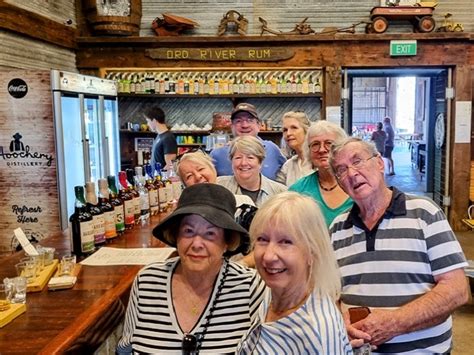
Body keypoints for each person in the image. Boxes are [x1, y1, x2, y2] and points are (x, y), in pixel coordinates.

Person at [329, 137, 469, 354]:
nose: (351, 174)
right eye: (341, 170)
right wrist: (340, 322)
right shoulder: (337, 227)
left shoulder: (424, 213)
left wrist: (395, 323)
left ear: (380, 163)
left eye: (357, 161)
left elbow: (457, 290)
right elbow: (330, 295)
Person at [117, 183, 266, 354]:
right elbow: (125, 350)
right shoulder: (147, 281)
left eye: (210, 233)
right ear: (176, 236)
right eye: (188, 231)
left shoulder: (249, 287)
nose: (196, 244)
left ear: (227, 242)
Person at [236, 192, 353, 354]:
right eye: (262, 239)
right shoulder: (276, 291)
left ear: (313, 252)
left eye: (286, 242)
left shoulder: (315, 334)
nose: (269, 256)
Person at [289, 121, 352, 227]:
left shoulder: (357, 185)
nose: (322, 149)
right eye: (315, 144)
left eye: (329, 144)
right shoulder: (297, 191)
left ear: (341, 148)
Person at [210, 103, 286, 181]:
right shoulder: (217, 155)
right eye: (238, 121)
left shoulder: (272, 150)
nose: (245, 125)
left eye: (250, 120)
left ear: (259, 125)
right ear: (232, 126)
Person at [217, 136, 287, 207]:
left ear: (260, 162)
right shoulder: (218, 186)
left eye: (250, 157)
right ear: (231, 161)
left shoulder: (280, 193)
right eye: (238, 158)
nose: (243, 163)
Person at [276, 111, 313, 186]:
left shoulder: (319, 161)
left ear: (306, 131)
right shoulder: (288, 166)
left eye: (294, 128)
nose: (288, 133)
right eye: (285, 130)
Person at [143, 106, 177, 171]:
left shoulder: (168, 138)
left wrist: (159, 176)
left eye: (148, 121)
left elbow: (170, 165)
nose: (147, 124)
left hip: (161, 180)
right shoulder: (159, 136)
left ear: (154, 120)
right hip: (156, 179)